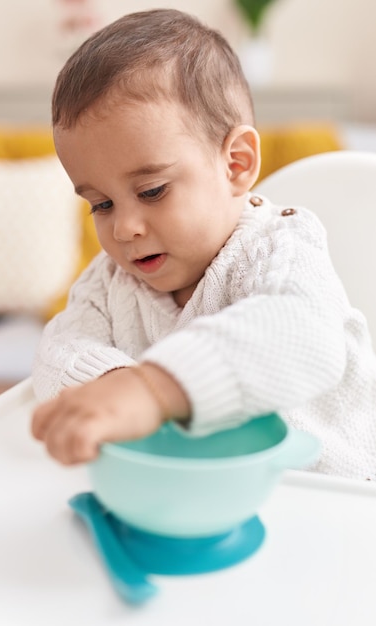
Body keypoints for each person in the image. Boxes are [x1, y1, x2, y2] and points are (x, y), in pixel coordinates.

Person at [31, 8, 376, 480]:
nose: (124, 228)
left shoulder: (279, 247)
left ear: (235, 163)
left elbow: (301, 336)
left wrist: (157, 389)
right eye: (101, 204)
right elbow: (60, 349)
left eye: (152, 191)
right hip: (204, 492)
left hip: (332, 498)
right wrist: (115, 385)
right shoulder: (110, 281)